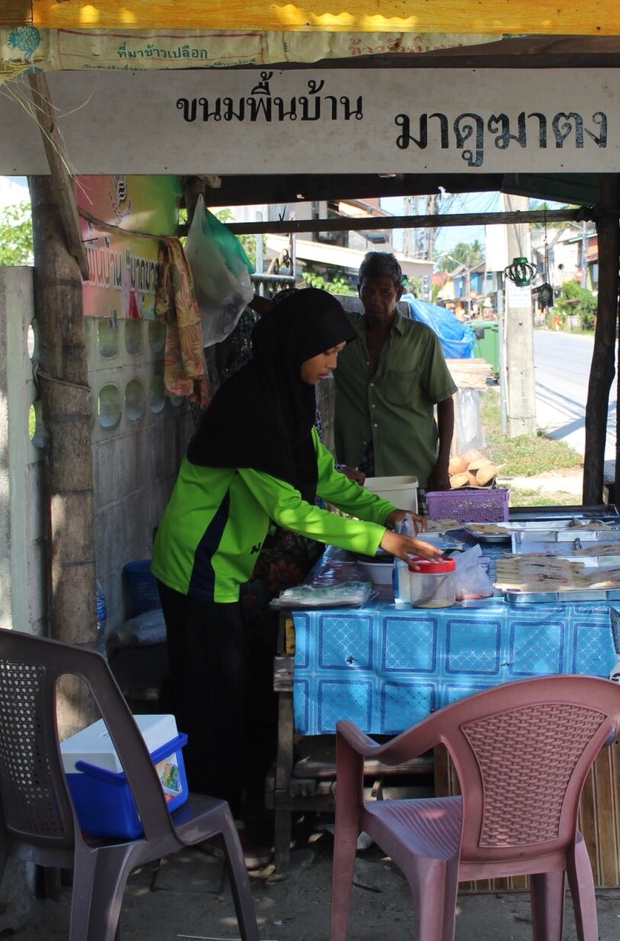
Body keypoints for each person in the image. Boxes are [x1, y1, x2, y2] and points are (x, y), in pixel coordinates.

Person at [151, 287, 441, 865]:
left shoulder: (288, 398)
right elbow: (291, 510)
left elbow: (322, 479)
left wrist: (383, 511)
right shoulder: (249, 407)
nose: (333, 364)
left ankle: (228, 808)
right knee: (214, 698)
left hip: (229, 566)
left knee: (239, 689)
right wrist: (383, 541)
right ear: (296, 346)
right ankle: (211, 827)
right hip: (198, 567)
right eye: (328, 352)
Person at [332, 251, 458, 492]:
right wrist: (246, 297)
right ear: (359, 290)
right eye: (368, 291)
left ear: (398, 293)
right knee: (368, 531)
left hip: (412, 469)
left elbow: (445, 402)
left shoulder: (421, 339)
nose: (375, 300)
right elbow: (299, 317)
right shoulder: (342, 335)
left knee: (413, 530)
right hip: (358, 472)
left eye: (385, 292)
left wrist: (442, 466)